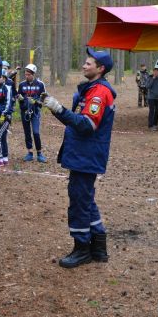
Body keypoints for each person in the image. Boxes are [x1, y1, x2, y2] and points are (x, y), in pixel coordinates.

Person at [43, 47, 116, 268]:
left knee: (79, 202)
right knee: (85, 199)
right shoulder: (91, 89)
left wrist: (59, 109)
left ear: (100, 69)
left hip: (87, 155)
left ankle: (82, 249)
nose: (84, 66)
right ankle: (99, 247)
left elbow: (86, 125)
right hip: (83, 154)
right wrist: (56, 109)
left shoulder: (99, 93)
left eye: (88, 63)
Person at [17, 63, 47, 163]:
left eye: (29, 74)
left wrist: (36, 102)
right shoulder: (21, 85)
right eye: (25, 74)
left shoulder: (40, 84)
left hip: (35, 112)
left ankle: (39, 153)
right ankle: (29, 152)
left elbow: (43, 98)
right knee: (27, 132)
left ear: (33, 74)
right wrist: (20, 99)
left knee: (36, 132)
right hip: (24, 112)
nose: (27, 76)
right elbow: (18, 96)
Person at [147, 66, 158, 131]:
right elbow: (147, 86)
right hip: (151, 97)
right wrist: (153, 79)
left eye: (156, 71)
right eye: (154, 71)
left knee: (157, 111)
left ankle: (155, 124)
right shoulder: (150, 77)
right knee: (152, 111)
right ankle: (150, 125)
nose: (155, 73)